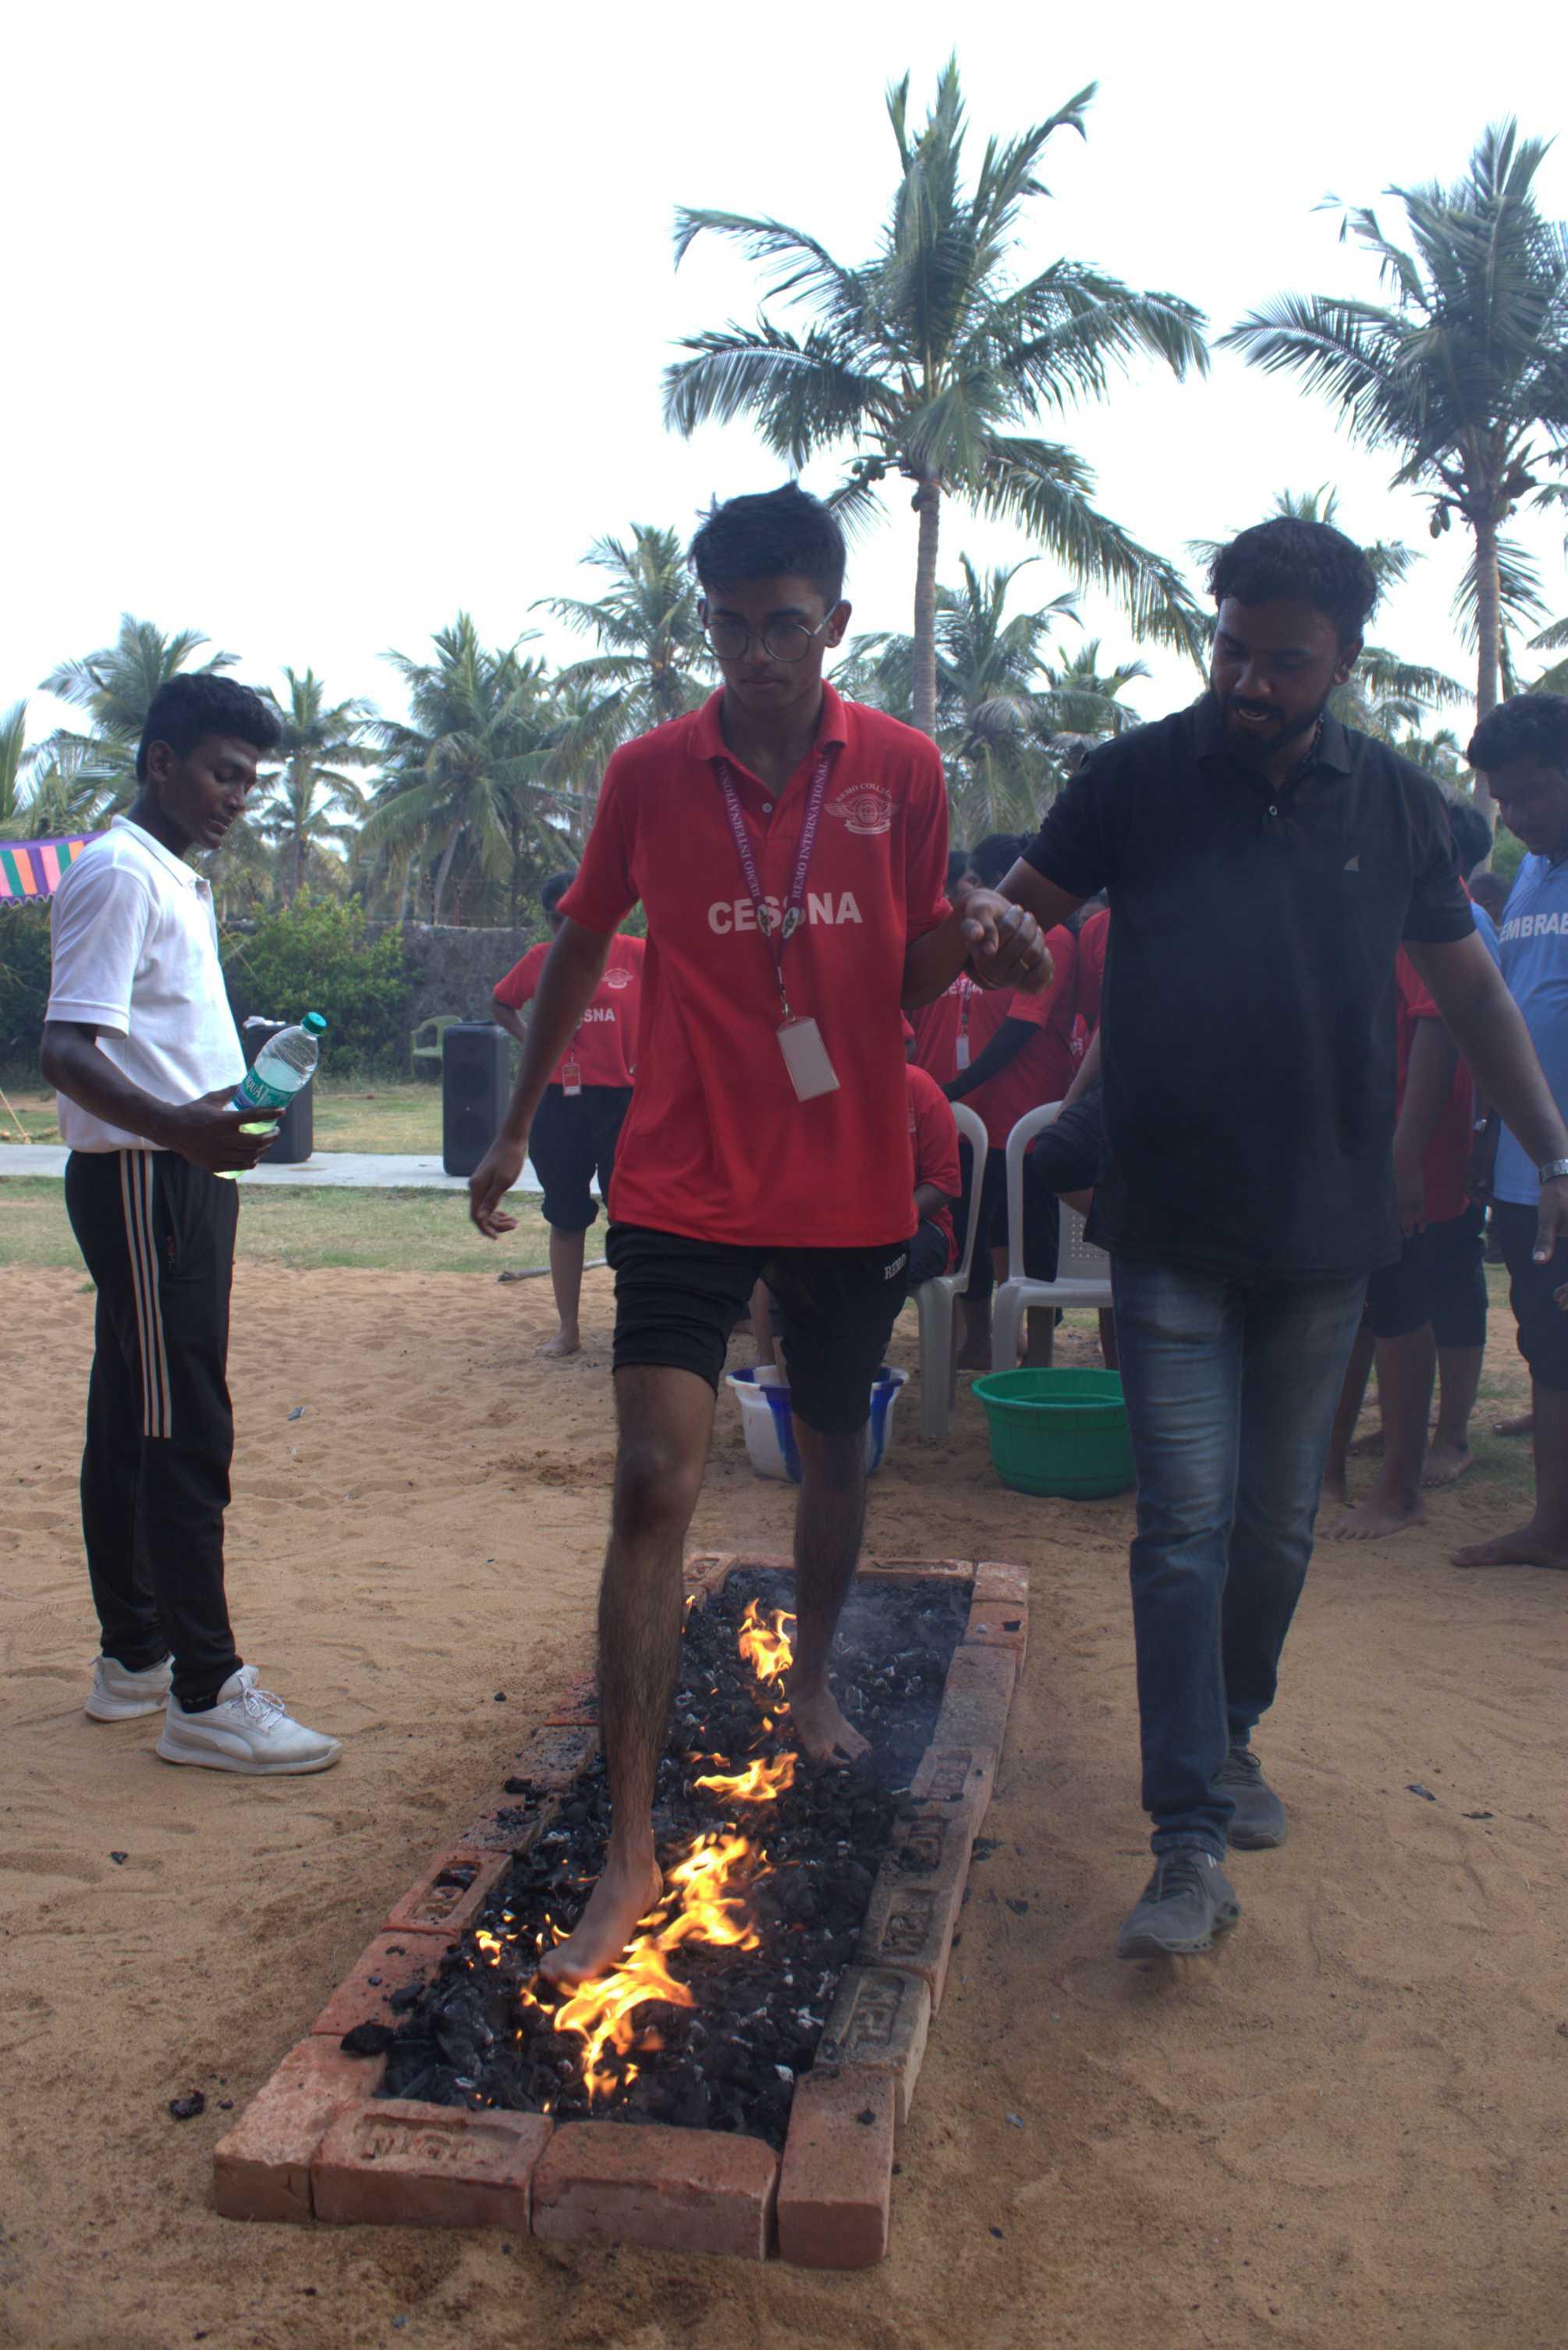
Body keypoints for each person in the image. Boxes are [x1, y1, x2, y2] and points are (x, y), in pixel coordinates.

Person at [468, 483, 1047, 1983]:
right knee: (652, 1479)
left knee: (836, 1453)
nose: (757, 655)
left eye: (785, 625)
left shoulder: (901, 767)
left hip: (849, 1175)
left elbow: (909, 972)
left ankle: (813, 1683)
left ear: (835, 622)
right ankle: (627, 1846)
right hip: (682, 1171)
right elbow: (583, 939)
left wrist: (978, 937)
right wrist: (519, 1121)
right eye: (730, 626)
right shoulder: (650, 771)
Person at [994, 515, 1568, 1961]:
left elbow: (1472, 996)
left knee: (1274, 1523)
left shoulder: (1399, 806)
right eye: (1232, 650)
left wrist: (1554, 1150)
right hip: (1169, 1217)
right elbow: (1016, 921)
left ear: (1345, 659)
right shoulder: (1132, 778)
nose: (1249, 682)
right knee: (1182, 1524)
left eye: (1285, 661)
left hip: (1325, 1225)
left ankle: (1233, 1729)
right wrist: (976, 931)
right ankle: (1186, 1837)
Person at [39, 675, 342, 1776]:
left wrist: (219, 1109)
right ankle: (206, 1693)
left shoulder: (173, 876)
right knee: (184, 1422)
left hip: (179, 1171)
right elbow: (64, 1050)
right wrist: (182, 1130)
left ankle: (136, 1657)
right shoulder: (121, 871)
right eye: (223, 774)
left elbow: (149, 1038)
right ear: (161, 762)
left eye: (250, 781)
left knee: (134, 1410)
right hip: (146, 1178)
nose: (237, 797)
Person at [1452, 696, 1568, 1573]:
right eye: (1504, 801)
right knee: (1548, 1345)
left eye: (1531, 793)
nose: (1516, 816)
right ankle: (1551, 1525)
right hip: (1533, 1168)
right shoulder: (1530, 873)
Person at [492, 875, 645, 1357]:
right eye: (558, 920)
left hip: (623, 1101)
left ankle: (637, 1329)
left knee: (633, 1219)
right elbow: (501, 1002)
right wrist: (536, 1043)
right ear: (549, 922)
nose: (569, 928)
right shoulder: (540, 960)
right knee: (566, 1213)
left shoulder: (636, 954)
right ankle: (569, 1330)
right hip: (559, 1102)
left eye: (576, 916)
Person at [938, 833, 1077, 1366]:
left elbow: (1021, 1029)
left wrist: (952, 1089)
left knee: (1033, 1241)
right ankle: (978, 1340)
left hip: (1027, 1116)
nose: (972, 889)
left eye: (980, 879)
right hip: (980, 1117)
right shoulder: (977, 943)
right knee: (974, 1234)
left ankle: (1038, 1353)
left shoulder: (1053, 938)